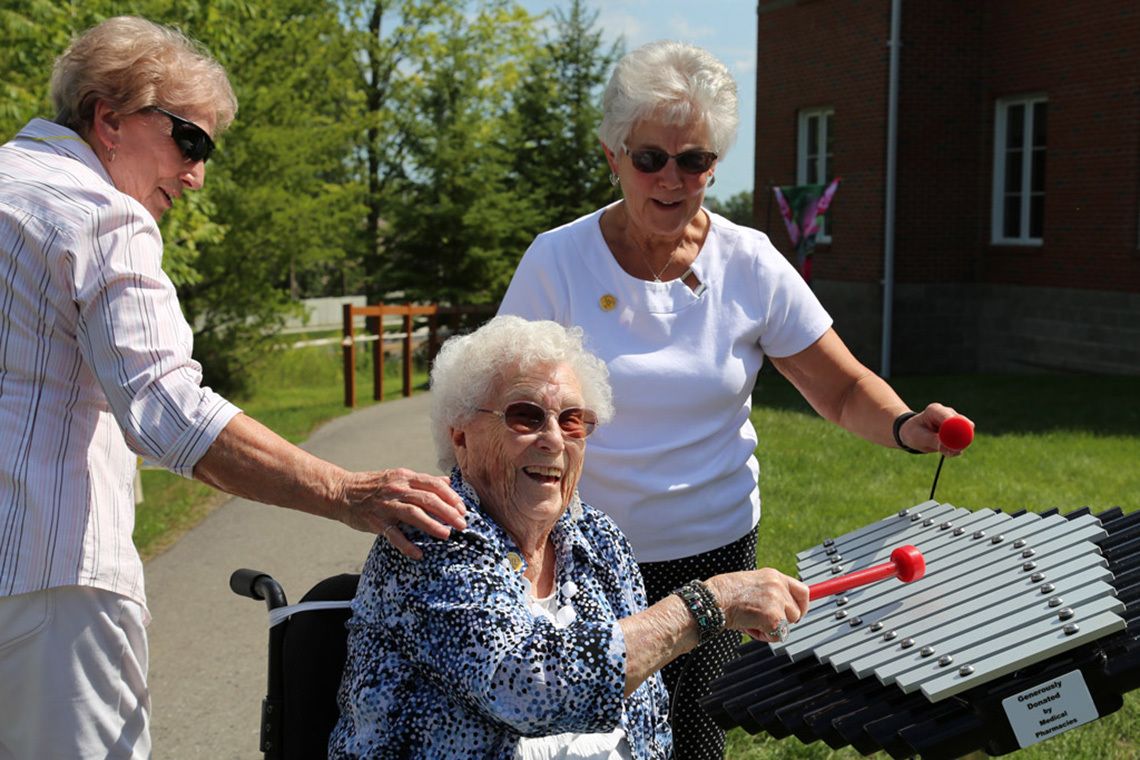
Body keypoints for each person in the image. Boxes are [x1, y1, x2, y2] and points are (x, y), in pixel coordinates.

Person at [0, 16, 465, 759]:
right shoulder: (97, 214)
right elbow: (167, 411)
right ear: (108, 117)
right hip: (52, 585)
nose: (197, 173)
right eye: (192, 140)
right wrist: (347, 493)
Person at [497, 40, 973, 760]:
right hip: (582, 561)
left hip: (715, 557)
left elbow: (841, 387)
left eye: (693, 160)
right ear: (612, 156)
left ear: (715, 164)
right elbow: (496, 409)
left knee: (691, 742)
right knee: (583, 744)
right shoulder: (557, 261)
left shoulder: (747, 260)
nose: (671, 178)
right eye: (649, 157)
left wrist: (908, 426)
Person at [330, 315, 810, 759]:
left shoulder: (599, 539)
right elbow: (531, 688)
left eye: (572, 420)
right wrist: (710, 603)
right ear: (461, 436)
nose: (554, 440)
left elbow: (646, 715)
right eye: (526, 415)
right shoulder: (432, 532)